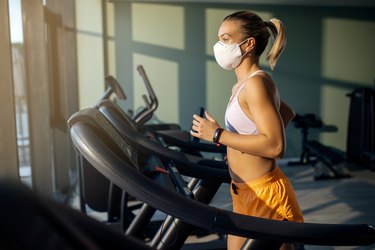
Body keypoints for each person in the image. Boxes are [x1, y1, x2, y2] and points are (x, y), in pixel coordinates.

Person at [190, 10, 303, 250]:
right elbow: (287, 112)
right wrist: (238, 149)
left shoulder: (256, 83)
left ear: (249, 44)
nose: (219, 45)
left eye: (226, 39)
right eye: (219, 39)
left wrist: (217, 135)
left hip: (266, 195)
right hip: (244, 192)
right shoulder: (243, 85)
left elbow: (275, 146)